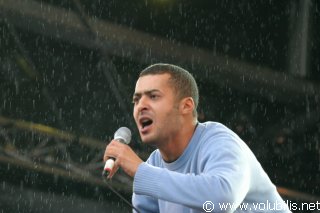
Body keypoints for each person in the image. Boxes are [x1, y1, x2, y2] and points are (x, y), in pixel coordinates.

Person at [103, 63, 291, 212]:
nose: (140, 105)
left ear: (186, 106)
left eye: (153, 96)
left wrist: (140, 170)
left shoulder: (219, 141)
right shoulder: (152, 166)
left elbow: (222, 199)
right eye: (136, 100)